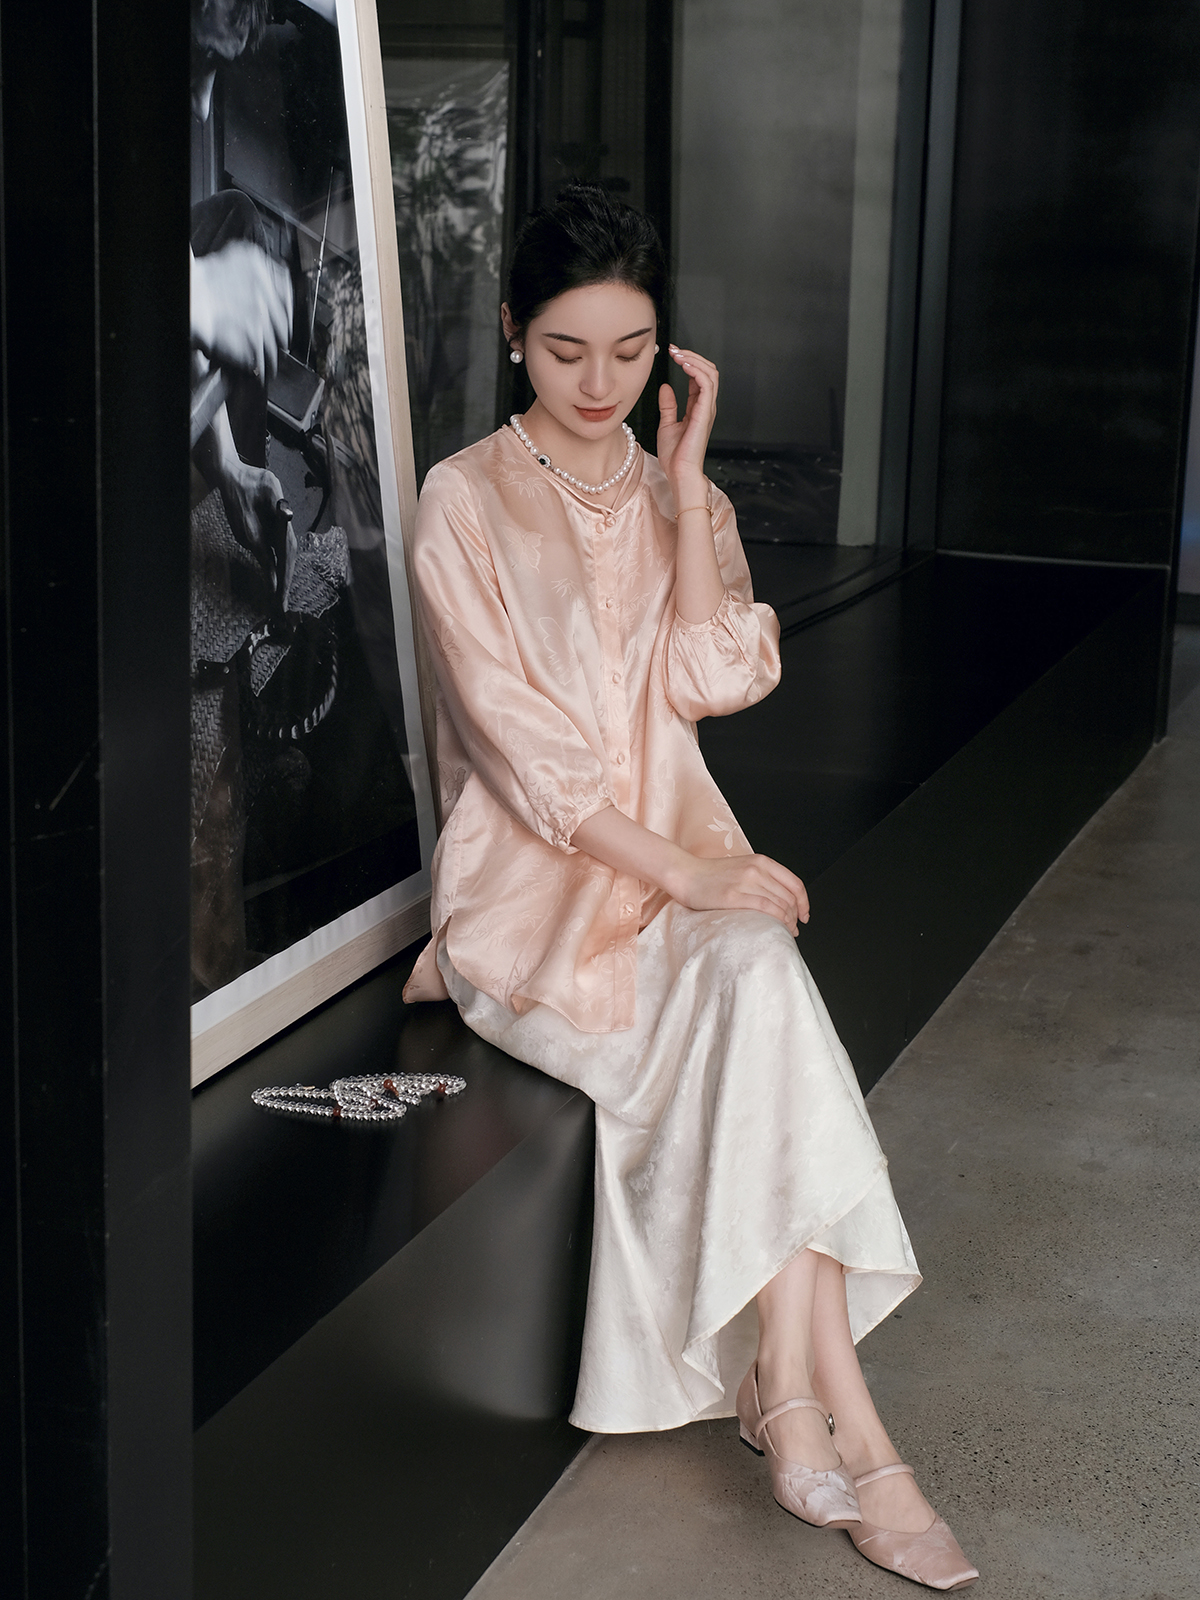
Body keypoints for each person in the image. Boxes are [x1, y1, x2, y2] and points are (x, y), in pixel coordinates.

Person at [403, 183, 978, 1592]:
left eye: (631, 349)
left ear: (665, 347)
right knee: (757, 986)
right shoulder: (461, 502)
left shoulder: (684, 496)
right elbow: (523, 756)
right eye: (565, 350)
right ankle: (840, 1428)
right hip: (531, 906)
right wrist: (694, 871)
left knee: (760, 981)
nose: (600, 382)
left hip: (676, 872)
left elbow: (718, 677)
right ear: (511, 333)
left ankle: (809, 1401)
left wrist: (683, 486)